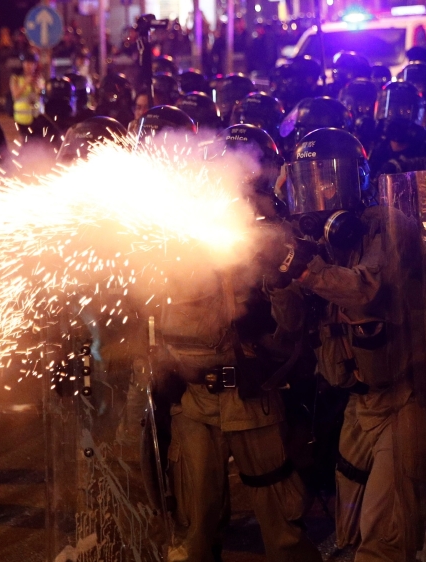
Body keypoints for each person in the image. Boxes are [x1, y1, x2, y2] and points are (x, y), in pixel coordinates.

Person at [161, 123, 322, 562]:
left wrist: (278, 277)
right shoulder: (184, 235)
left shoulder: (278, 236)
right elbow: (155, 316)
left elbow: (293, 330)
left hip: (253, 402)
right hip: (194, 400)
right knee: (195, 525)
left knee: (282, 531)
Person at [282, 127, 423, 561]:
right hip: (357, 404)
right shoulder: (314, 240)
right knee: (348, 530)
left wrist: (303, 269)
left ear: (356, 179)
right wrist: (275, 280)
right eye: (310, 181)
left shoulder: (387, 225)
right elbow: (290, 325)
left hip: (403, 400)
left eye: (330, 179)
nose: (321, 191)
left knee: (385, 534)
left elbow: (365, 291)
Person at [10, 53, 43, 135]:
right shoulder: (16, 78)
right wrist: (25, 83)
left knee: (37, 142)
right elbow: (15, 95)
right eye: (27, 63)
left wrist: (38, 87)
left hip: (36, 116)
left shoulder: (38, 77)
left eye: (32, 63)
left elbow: (41, 95)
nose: (29, 66)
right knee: (26, 143)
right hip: (22, 117)